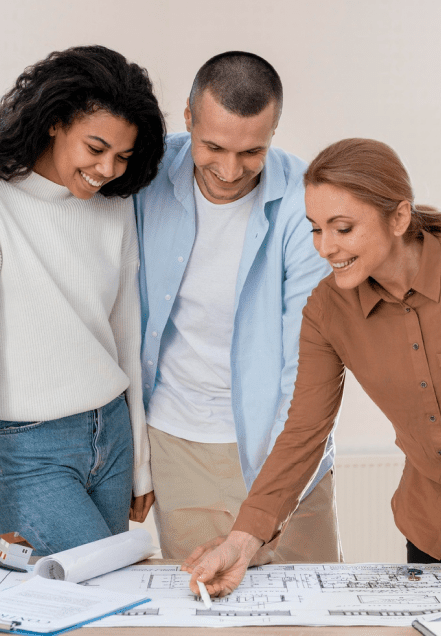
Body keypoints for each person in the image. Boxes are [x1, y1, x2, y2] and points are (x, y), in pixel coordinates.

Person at [185, 138, 441, 596]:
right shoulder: (326, 311)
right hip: (432, 528)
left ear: (399, 218)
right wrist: (243, 540)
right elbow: (304, 434)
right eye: (315, 229)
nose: (325, 247)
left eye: (342, 228)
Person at [0, 45, 166, 578]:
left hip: (112, 435)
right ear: (54, 122)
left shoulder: (114, 208)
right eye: (96, 148)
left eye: (122, 156)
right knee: (105, 595)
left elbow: (127, 337)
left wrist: (140, 463)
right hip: (27, 452)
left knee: (95, 602)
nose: (107, 170)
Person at [135, 52, 338, 563]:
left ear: (274, 131)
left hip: (281, 447)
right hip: (178, 443)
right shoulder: (146, 175)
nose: (229, 171)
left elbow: (306, 361)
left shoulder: (305, 202)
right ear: (188, 118)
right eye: (213, 147)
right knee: (200, 597)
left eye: (252, 152)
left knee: (307, 601)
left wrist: (276, 487)